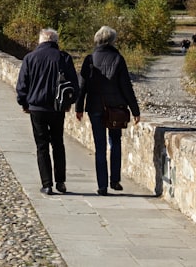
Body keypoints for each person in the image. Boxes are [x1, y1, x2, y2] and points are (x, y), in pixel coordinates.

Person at [75, 25, 141, 196]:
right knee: (116, 142)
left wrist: (79, 107)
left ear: (97, 40)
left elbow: (82, 86)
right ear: (112, 41)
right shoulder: (118, 59)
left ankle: (102, 186)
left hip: (95, 107)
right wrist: (135, 110)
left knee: (100, 147)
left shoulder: (89, 59)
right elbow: (126, 87)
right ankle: (115, 180)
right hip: (116, 108)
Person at [16, 27, 79, 195]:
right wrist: (69, 102)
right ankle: (61, 182)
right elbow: (74, 85)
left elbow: (22, 85)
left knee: (42, 146)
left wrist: (24, 103)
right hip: (58, 108)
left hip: (36, 108)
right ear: (55, 41)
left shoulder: (30, 58)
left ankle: (47, 184)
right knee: (58, 143)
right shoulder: (64, 58)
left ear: (40, 41)